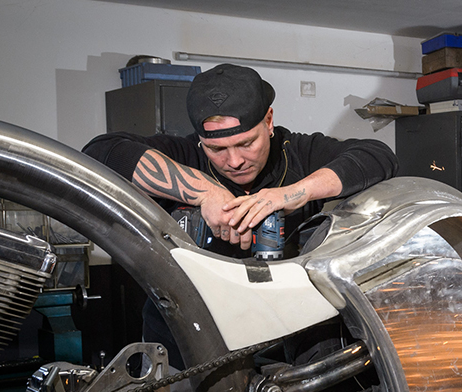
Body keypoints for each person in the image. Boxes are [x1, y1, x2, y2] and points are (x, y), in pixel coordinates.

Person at [84, 63, 398, 367]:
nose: (234, 161)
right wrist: (202, 192)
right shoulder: (183, 155)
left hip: (284, 334)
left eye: (247, 143)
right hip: (187, 342)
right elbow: (99, 152)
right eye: (216, 149)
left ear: (269, 121)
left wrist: (290, 194)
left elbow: (377, 155)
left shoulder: (298, 152)